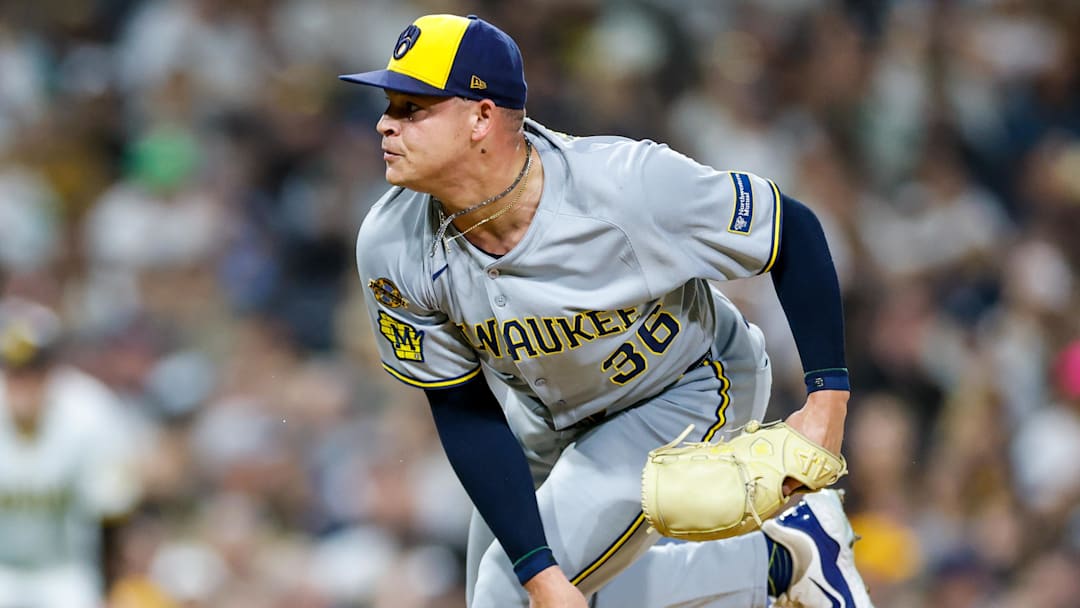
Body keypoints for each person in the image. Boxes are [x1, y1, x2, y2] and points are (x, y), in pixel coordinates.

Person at [341, 13, 872, 608]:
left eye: (412, 107)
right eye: (390, 106)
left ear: (481, 117)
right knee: (528, 586)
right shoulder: (391, 242)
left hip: (687, 384)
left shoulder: (622, 187)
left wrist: (828, 398)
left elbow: (790, 229)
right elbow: (462, 408)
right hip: (546, 419)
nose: (386, 124)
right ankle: (770, 560)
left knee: (508, 591)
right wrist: (541, 572)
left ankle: (775, 559)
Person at [0, 297, 141, 608]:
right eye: (14, 372)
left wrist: (109, 587)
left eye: (34, 371)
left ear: (52, 371)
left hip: (65, 570)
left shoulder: (91, 412)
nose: (24, 384)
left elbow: (113, 511)